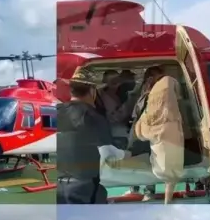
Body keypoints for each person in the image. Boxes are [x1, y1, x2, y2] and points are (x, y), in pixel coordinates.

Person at [57, 66, 125, 203]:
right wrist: (125, 154)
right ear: (92, 91)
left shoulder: (56, 111)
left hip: (57, 184)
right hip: (84, 187)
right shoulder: (94, 116)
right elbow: (108, 153)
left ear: (71, 90)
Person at [134, 71, 185, 204]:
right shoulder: (169, 82)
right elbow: (178, 96)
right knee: (170, 174)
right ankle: (165, 200)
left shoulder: (149, 95)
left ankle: (146, 191)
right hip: (168, 134)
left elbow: (140, 131)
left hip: (151, 135)